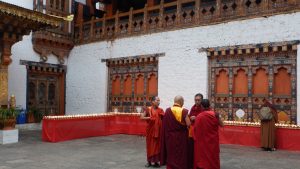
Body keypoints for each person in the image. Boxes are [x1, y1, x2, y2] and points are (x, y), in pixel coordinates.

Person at [160, 95, 191, 169]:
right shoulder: (183, 111)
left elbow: (164, 125)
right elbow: (188, 124)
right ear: (180, 102)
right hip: (181, 137)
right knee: (181, 154)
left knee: (171, 153)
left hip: (170, 137)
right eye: (183, 102)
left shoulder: (168, 110)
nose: (183, 103)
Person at [194, 99, 223, 169]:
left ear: (202, 107)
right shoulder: (215, 114)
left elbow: (195, 129)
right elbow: (222, 124)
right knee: (213, 155)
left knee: (203, 156)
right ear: (209, 105)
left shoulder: (199, 116)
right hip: (213, 140)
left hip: (203, 141)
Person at [140, 96, 165, 168]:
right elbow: (141, 117)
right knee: (150, 146)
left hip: (158, 131)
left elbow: (164, 119)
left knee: (157, 146)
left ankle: (157, 161)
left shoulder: (161, 110)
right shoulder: (148, 109)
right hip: (150, 131)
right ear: (153, 102)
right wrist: (150, 118)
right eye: (157, 100)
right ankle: (149, 161)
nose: (158, 102)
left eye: (159, 101)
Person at [188, 93, 204, 169]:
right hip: (192, 130)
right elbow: (190, 116)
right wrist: (190, 118)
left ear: (201, 100)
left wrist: (196, 118)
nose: (196, 102)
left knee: (199, 149)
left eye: (198, 100)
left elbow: (205, 119)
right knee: (192, 148)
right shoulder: (193, 107)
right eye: (195, 100)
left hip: (200, 132)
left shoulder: (203, 108)